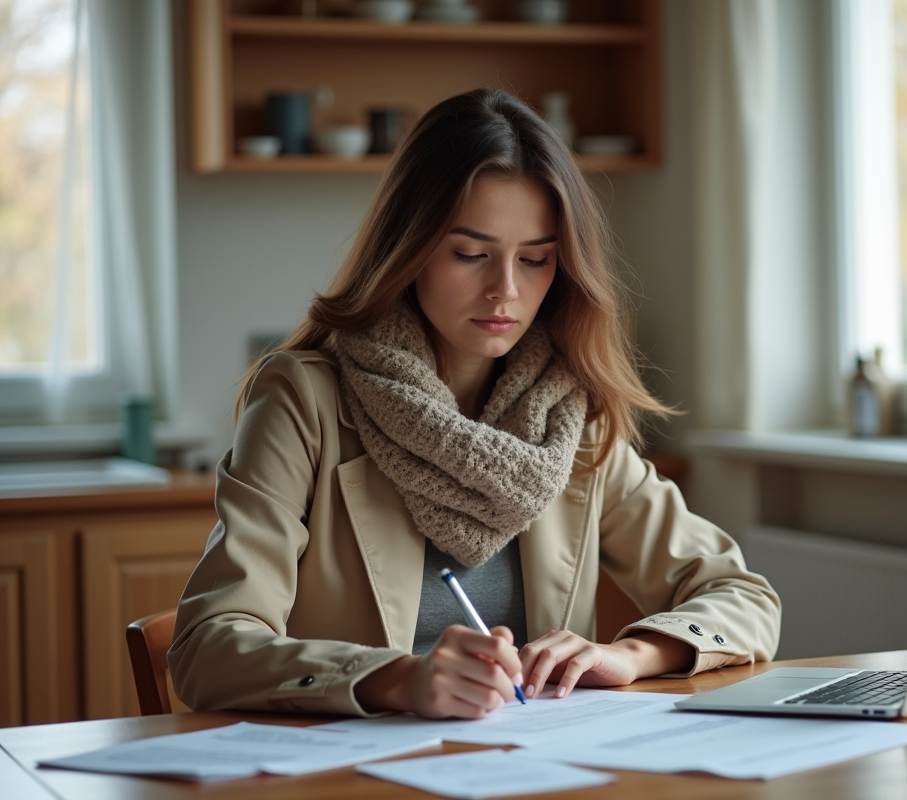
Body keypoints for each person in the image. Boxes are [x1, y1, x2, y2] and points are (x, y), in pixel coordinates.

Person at [168, 88, 780, 720]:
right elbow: (207, 647)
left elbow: (742, 597)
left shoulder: (570, 416)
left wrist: (635, 654)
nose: (505, 291)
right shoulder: (303, 399)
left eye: (537, 259)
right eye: (470, 254)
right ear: (408, 250)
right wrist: (396, 678)